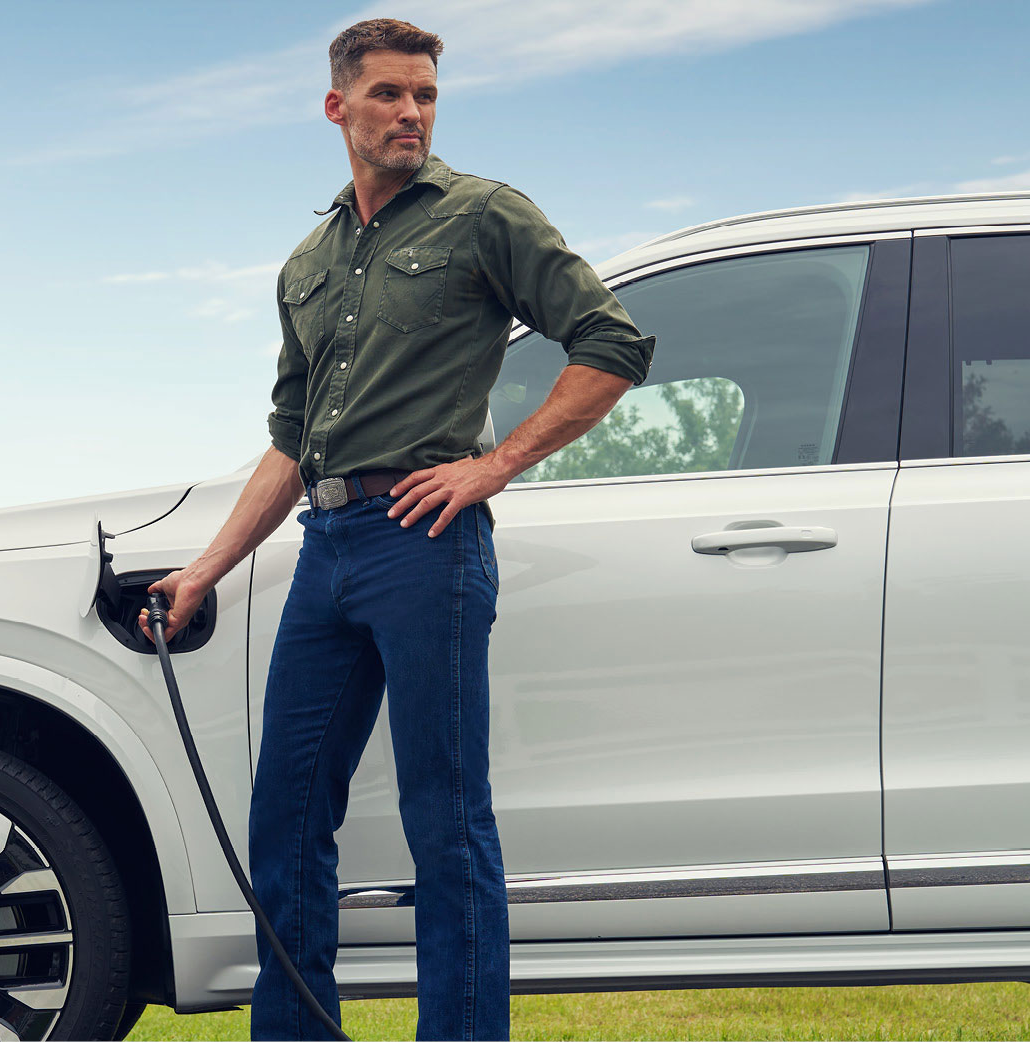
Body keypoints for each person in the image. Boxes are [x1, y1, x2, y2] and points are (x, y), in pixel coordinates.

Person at [141, 17, 655, 1040]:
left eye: (423, 94)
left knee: (445, 822)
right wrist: (202, 569)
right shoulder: (309, 259)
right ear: (339, 107)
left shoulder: (483, 216)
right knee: (285, 819)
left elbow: (611, 342)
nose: (409, 112)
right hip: (326, 552)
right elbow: (290, 443)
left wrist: (493, 464)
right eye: (387, 94)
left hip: (427, 546)